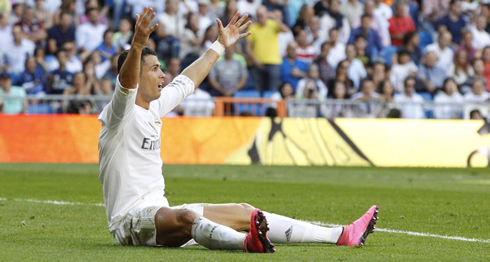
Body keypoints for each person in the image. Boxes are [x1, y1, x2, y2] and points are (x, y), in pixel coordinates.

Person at [98, 7, 378, 252]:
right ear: (137, 74)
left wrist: (220, 45)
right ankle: (245, 243)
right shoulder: (119, 113)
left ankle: (341, 235)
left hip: (160, 213)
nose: (163, 75)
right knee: (186, 218)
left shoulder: (154, 107)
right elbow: (126, 85)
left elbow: (188, 80)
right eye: (155, 69)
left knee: (245, 212)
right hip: (130, 221)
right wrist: (136, 45)